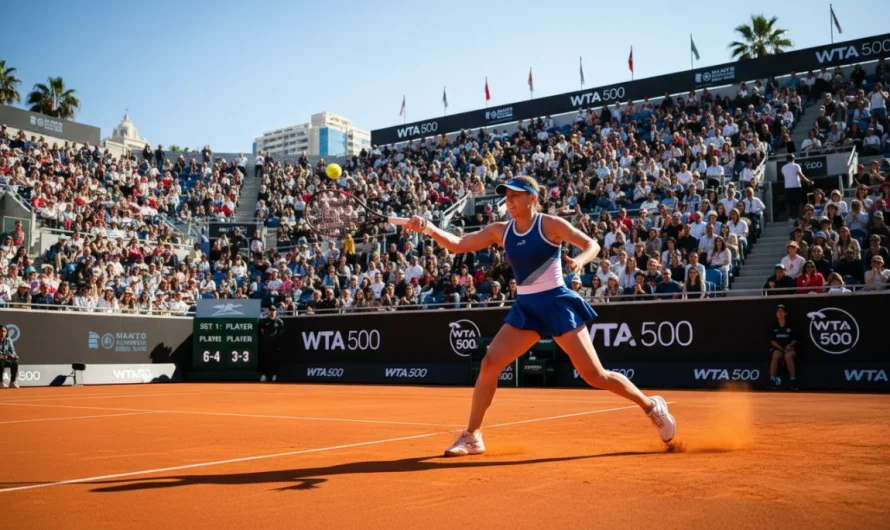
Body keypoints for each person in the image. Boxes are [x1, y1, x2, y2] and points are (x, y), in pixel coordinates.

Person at [405, 175, 676, 457]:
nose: (508, 201)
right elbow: (460, 243)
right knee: (489, 365)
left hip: (557, 302)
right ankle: (472, 435)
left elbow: (591, 244)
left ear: (532, 198)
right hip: (527, 307)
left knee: (594, 375)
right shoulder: (501, 230)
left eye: (515, 196)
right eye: (506, 196)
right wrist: (429, 228)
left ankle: (651, 406)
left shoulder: (550, 224)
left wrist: (579, 262)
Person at [769, 305, 798, 390]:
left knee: (788, 356)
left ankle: (793, 381)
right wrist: (781, 348)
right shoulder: (773, 325)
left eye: (782, 311)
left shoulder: (791, 325)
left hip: (790, 349)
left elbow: (795, 339)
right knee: (775, 356)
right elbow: (772, 341)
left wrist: (789, 346)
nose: (780, 313)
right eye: (778, 311)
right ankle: (772, 380)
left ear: (785, 313)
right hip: (778, 349)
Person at [781, 154, 813, 222]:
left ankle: (789, 218)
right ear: (793, 158)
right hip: (797, 187)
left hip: (787, 187)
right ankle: (800, 217)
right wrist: (808, 181)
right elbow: (801, 176)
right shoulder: (796, 166)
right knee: (800, 202)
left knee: (789, 203)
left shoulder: (783, 167)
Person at [259, 306, 285, 382]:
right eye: (270, 311)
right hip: (266, 344)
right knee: (265, 359)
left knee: (275, 360)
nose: (272, 312)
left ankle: (274, 375)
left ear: (276, 312)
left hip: (275, 345)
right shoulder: (263, 321)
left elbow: (281, 332)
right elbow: (262, 331)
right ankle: (264, 375)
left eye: (273, 311)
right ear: (268, 312)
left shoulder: (279, 322)